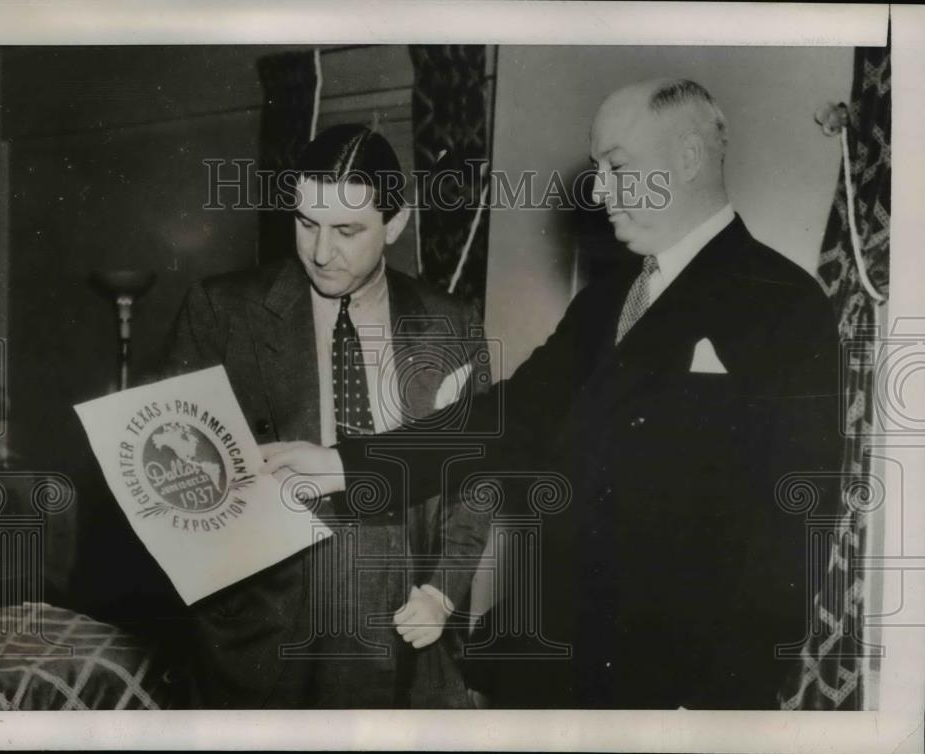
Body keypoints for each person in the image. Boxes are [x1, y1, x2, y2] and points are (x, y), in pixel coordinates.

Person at [262, 79, 843, 709]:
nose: (597, 189)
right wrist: (343, 463)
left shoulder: (784, 304)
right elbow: (502, 420)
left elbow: (795, 530)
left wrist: (721, 708)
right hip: (552, 666)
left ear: (688, 158)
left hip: (672, 692)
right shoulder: (604, 301)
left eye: (616, 166)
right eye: (596, 169)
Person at [162, 123, 490, 708]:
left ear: (395, 223)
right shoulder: (220, 310)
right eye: (306, 222)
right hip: (264, 632)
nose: (319, 251)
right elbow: (169, 477)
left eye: (347, 231)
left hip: (404, 624)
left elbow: (474, 476)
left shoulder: (451, 323)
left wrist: (443, 592)